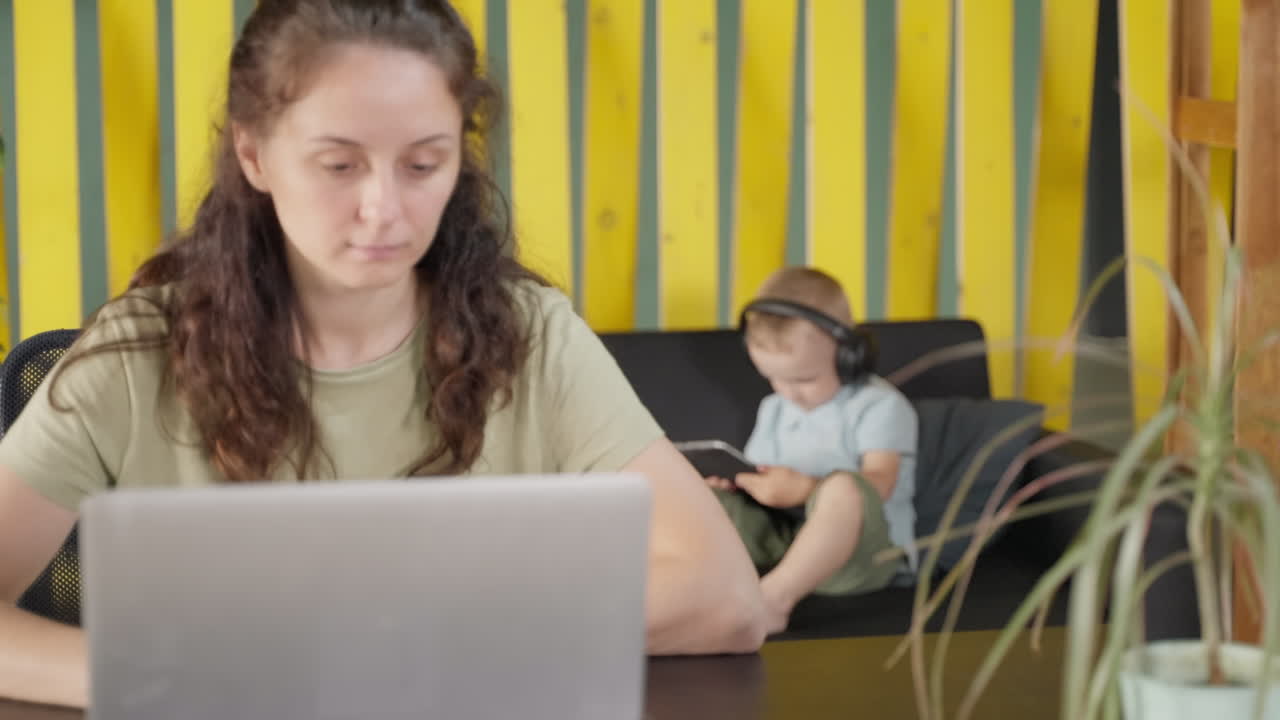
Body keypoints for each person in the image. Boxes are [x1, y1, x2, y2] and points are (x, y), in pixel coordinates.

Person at [0, 0, 767, 708]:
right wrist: (169, 678)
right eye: (339, 165)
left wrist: (405, 649)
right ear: (255, 154)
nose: (385, 210)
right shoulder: (136, 356)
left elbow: (726, 597)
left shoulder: (530, 334)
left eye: (423, 164)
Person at [707, 267, 919, 634]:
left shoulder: (879, 406)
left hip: (861, 557)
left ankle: (773, 601)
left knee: (845, 488)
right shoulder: (774, 409)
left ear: (849, 355)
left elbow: (879, 484)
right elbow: (764, 477)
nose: (788, 392)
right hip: (788, 543)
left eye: (804, 379)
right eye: (773, 378)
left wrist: (806, 490)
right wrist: (741, 489)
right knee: (700, 497)